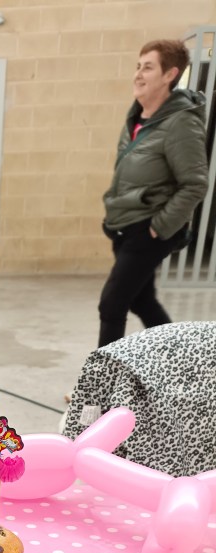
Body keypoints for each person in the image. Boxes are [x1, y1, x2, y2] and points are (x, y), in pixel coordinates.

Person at [98, 39, 208, 347]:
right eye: (138, 66)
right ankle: (182, 360)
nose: (138, 74)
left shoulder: (180, 122)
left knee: (112, 303)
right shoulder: (137, 116)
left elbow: (195, 183)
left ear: (170, 75)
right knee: (141, 301)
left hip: (148, 229)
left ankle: (104, 378)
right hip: (125, 224)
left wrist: (158, 227)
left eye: (148, 67)